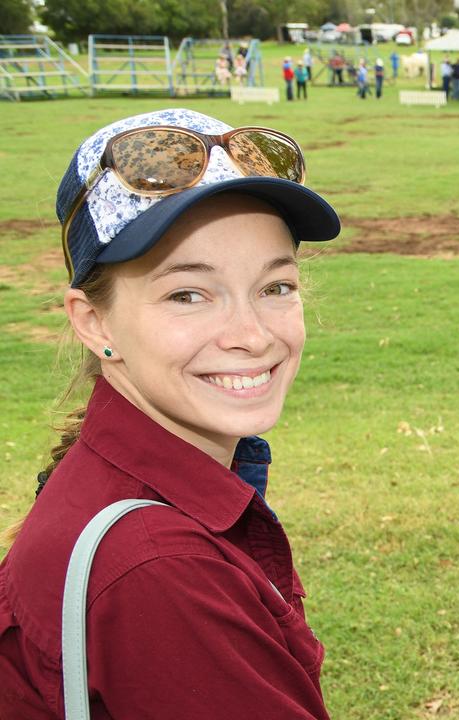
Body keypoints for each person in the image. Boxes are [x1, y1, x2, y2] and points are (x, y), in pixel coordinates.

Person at [0, 107, 341, 718]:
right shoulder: (162, 566)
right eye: (188, 294)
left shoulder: (117, 488)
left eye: (275, 287)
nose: (252, 335)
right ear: (94, 321)